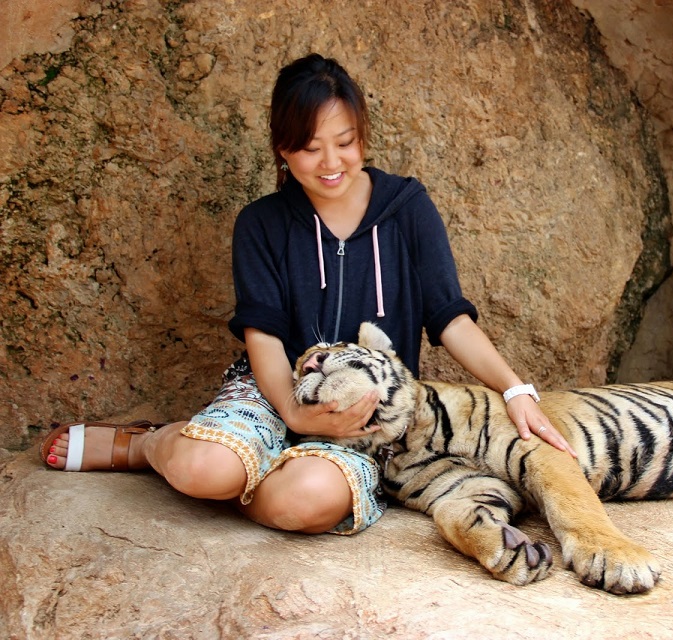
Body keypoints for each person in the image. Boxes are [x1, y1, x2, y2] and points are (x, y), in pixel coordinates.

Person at [41, 53, 575, 535]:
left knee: (307, 501)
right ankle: (149, 443)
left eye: (344, 142)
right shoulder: (262, 224)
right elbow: (264, 337)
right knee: (199, 469)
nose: (331, 163)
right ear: (282, 148)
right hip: (273, 392)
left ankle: (245, 479)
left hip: (364, 416)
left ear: (362, 133)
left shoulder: (408, 207)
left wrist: (514, 389)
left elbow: (449, 317)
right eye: (309, 148)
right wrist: (293, 417)